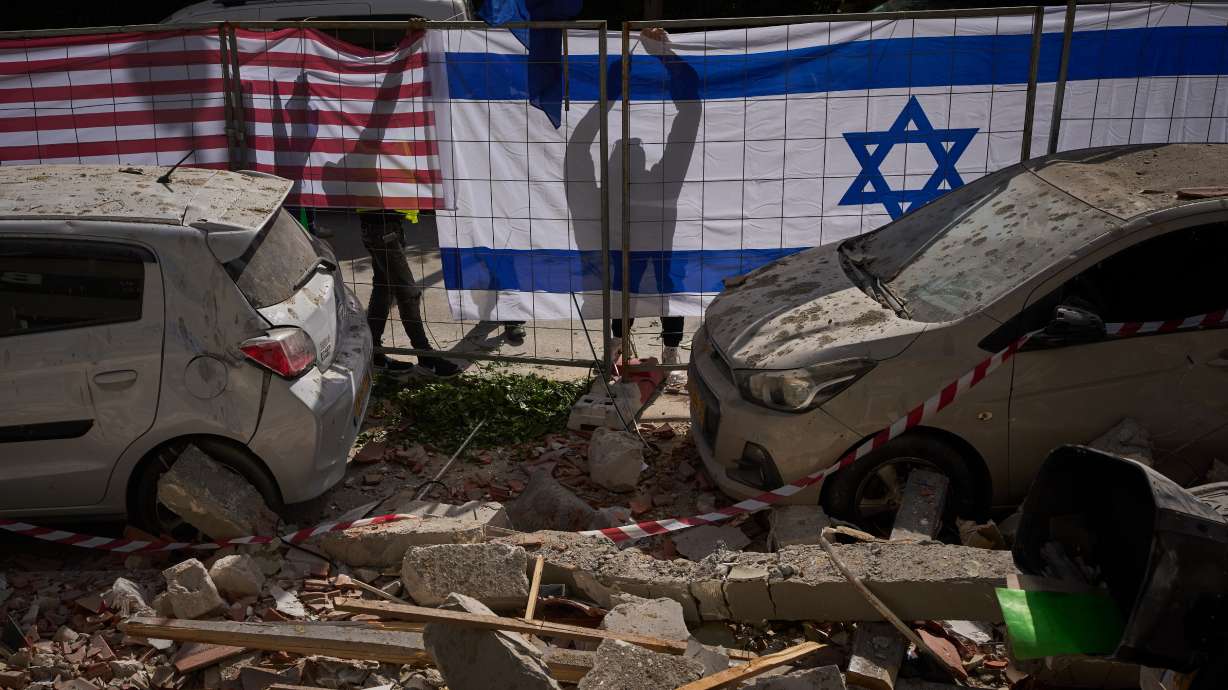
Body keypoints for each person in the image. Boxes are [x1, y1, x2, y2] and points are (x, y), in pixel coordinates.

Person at [359, 208, 459, 376]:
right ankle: (425, 356)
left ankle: (373, 352)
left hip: (386, 225)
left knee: (384, 288)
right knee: (408, 293)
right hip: (381, 228)